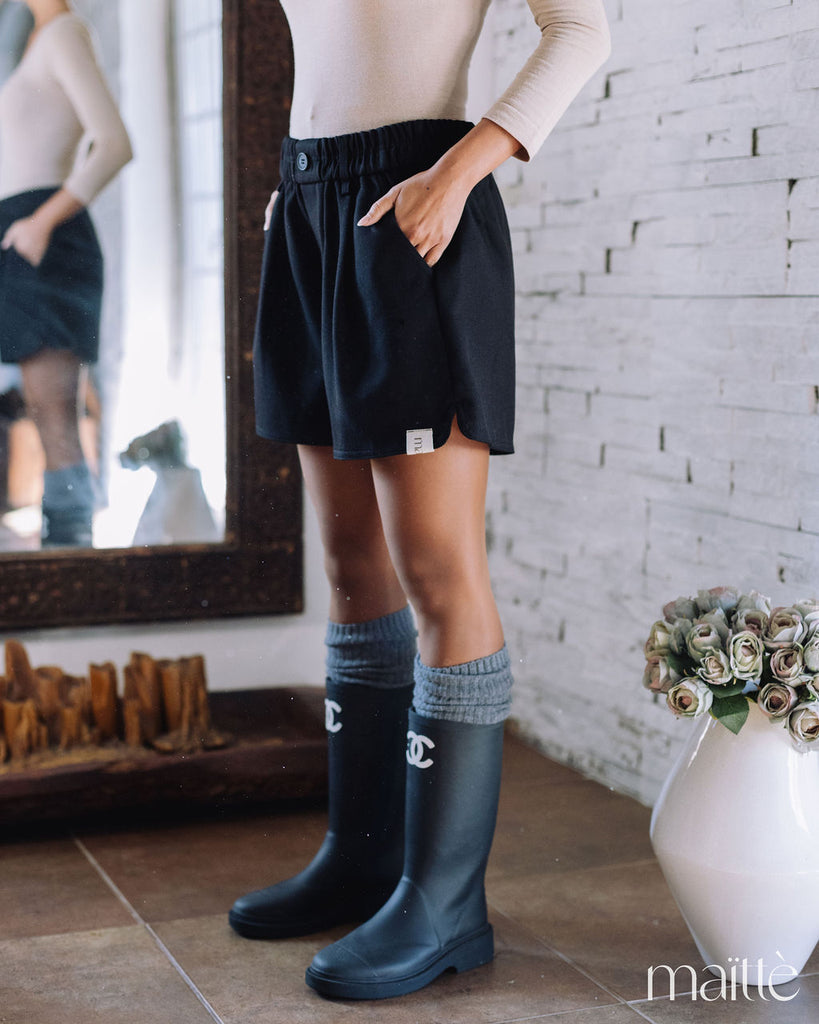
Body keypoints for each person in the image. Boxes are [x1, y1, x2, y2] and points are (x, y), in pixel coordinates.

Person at [230, 0, 611, 1001]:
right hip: (307, 204)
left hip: (417, 200)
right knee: (351, 566)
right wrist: (299, 191)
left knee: (437, 568)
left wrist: (459, 170)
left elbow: (581, 28)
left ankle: (446, 904)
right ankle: (363, 859)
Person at [0, 0, 132, 547]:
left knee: (54, 415)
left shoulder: (64, 33)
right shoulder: (37, 39)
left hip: (45, 238)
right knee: (44, 412)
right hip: (24, 234)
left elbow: (116, 145)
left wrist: (41, 223)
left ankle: (72, 555)